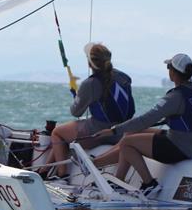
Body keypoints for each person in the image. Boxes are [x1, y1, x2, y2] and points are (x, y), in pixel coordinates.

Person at [93, 53, 192, 198]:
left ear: (173, 72)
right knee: (129, 134)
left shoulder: (175, 97)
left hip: (179, 147)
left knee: (126, 143)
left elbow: (145, 119)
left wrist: (113, 130)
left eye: (169, 67)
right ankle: (118, 181)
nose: (168, 70)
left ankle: (149, 184)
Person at [45, 43, 134, 179]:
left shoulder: (90, 83)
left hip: (98, 132)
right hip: (121, 132)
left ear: (89, 63)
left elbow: (76, 112)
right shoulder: (125, 78)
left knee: (57, 133)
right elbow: (131, 110)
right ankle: (44, 170)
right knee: (65, 133)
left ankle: (62, 174)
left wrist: (77, 95)